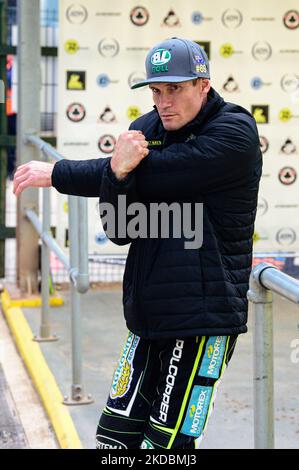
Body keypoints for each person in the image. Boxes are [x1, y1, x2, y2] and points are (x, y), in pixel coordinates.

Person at [13, 37, 262, 449]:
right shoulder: (145, 131)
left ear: (203, 85)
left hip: (204, 317)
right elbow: (120, 227)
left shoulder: (234, 132)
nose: (164, 102)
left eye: (176, 89)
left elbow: (164, 173)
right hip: (147, 316)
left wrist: (62, 173)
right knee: (114, 442)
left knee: (164, 449)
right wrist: (119, 173)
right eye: (156, 90)